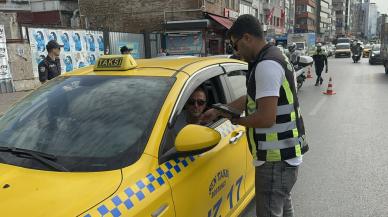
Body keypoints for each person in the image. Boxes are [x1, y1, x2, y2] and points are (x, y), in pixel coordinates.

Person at [202, 14, 308, 217]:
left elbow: (266, 119)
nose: (237, 52)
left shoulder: (266, 66)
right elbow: (251, 99)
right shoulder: (276, 55)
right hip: (285, 157)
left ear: (247, 38)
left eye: (235, 45)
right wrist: (218, 110)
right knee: (284, 208)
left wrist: (236, 121)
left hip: (275, 161)